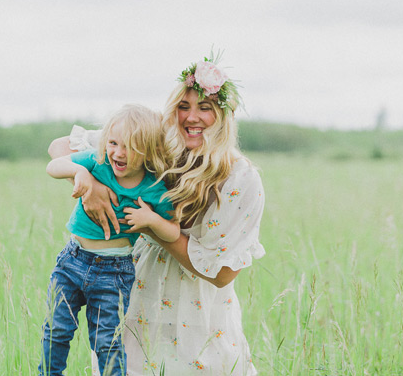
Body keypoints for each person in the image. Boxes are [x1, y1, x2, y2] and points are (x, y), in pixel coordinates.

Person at [50, 55, 265, 375]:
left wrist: (155, 228)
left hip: (198, 316)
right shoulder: (153, 146)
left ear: (224, 116)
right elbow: (59, 148)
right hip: (133, 297)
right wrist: (92, 184)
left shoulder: (240, 179)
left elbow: (222, 275)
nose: (192, 117)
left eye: (205, 108)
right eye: (184, 106)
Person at [41, 104, 175, 376]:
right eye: (113, 143)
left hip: (114, 272)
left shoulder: (153, 189)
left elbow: (172, 231)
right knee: (57, 330)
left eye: (130, 146)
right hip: (72, 261)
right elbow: (53, 165)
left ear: (148, 150)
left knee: (107, 343)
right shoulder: (97, 162)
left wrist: (151, 220)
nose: (118, 152)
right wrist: (79, 172)